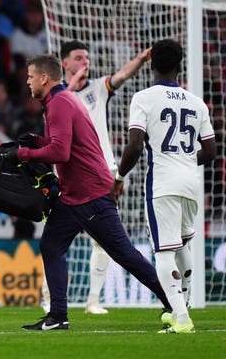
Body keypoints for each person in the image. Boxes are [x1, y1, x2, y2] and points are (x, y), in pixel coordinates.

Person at [17, 54, 171, 331]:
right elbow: (60, 144)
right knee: (51, 246)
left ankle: (173, 300)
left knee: (124, 254)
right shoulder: (58, 102)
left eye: (30, 76)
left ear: (44, 78)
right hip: (74, 194)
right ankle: (58, 316)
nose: (27, 81)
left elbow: (60, 152)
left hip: (90, 194)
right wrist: (36, 141)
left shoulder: (60, 103)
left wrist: (24, 153)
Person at [111, 39, 216, 334]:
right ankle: (182, 306)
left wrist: (119, 177)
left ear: (152, 64)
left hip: (163, 183)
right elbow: (210, 152)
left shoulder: (144, 98)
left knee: (164, 251)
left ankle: (181, 317)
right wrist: (184, 158)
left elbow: (133, 146)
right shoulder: (197, 103)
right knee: (183, 243)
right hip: (191, 183)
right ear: (179, 65)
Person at [57, 39, 152, 314]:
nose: (85, 61)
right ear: (65, 63)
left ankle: (93, 301)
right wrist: (71, 86)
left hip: (102, 171)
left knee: (103, 239)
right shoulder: (58, 94)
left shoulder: (98, 88)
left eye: (86, 57)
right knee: (56, 239)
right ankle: (48, 299)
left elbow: (122, 74)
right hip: (68, 174)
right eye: (78, 57)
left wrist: (142, 59)